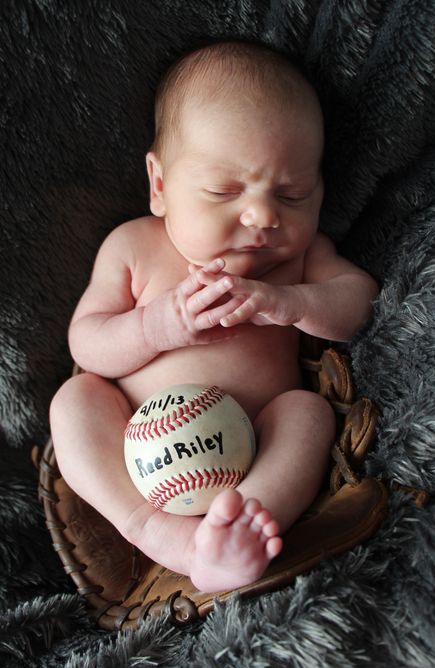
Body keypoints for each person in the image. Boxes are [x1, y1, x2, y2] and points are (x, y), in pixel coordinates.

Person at [50, 40, 379, 593]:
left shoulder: (297, 259)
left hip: (254, 446)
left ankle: (236, 534)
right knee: (75, 402)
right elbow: (87, 344)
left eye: (294, 195)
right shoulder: (133, 247)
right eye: (224, 191)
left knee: (307, 413)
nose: (262, 216)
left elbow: (361, 302)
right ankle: (152, 530)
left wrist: (293, 303)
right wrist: (155, 327)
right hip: (136, 444)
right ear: (160, 186)